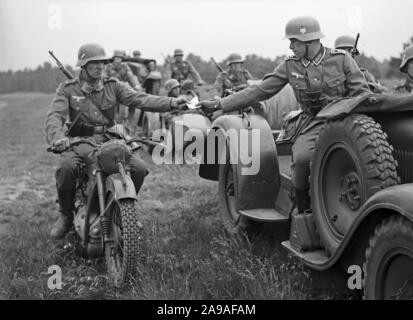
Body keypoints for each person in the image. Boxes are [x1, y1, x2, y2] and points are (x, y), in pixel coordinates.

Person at [197, 16, 369, 214]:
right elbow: (259, 91)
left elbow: (362, 94)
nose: (290, 46)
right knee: (302, 160)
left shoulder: (341, 59)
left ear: (310, 41)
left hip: (346, 120)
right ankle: (304, 214)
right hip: (314, 122)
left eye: (294, 41)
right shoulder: (290, 65)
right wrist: (220, 103)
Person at [45, 43, 187, 239]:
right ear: (83, 66)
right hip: (80, 141)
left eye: (102, 62)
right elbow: (55, 116)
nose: (100, 66)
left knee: (138, 169)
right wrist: (58, 138)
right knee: (66, 169)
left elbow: (141, 99)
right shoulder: (68, 89)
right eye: (94, 63)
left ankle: (122, 210)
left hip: (109, 139)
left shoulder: (113, 86)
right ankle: (66, 213)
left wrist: (171, 102)